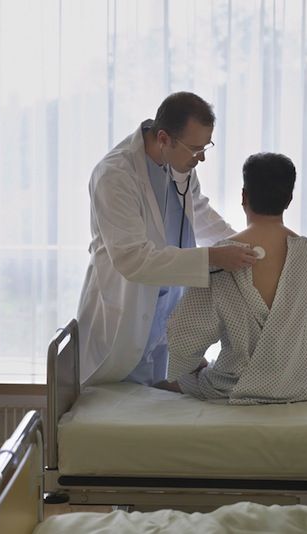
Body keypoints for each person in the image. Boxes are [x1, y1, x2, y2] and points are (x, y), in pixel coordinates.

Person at [77, 92, 259, 386]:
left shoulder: (179, 165)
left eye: (205, 147)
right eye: (195, 148)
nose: (200, 157)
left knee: (158, 403)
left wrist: (241, 244)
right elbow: (132, 259)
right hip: (126, 311)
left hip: (167, 308)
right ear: (164, 138)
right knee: (122, 407)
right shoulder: (115, 175)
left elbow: (198, 211)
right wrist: (214, 257)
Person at [159, 152, 307, 404]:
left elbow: (184, 338)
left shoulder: (225, 255)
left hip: (237, 385)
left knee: (179, 376)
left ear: (244, 196)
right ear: (288, 199)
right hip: (305, 385)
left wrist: (193, 366)